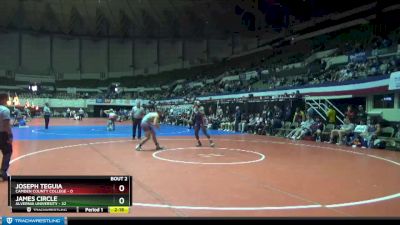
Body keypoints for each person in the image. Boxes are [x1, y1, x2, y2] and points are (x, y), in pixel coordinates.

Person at [0, 93, 13, 182]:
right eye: (7, 99)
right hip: (2, 134)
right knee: (7, 152)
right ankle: (3, 172)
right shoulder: (5, 110)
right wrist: (10, 136)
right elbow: (6, 126)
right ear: (3, 99)